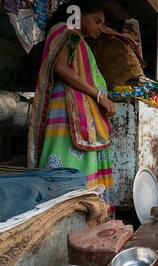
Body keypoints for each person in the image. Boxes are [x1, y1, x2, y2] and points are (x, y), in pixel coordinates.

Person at [29, 0, 116, 214]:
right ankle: (65, 218)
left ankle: (86, 217)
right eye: (96, 21)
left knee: (83, 171)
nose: (100, 28)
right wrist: (98, 96)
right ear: (78, 14)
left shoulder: (80, 42)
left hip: (82, 118)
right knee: (66, 170)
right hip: (67, 115)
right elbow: (59, 66)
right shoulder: (65, 31)